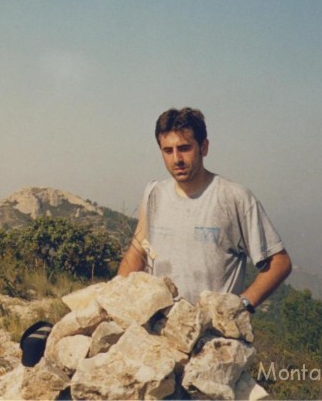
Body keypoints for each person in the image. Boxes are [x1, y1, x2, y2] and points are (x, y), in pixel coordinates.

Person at [118, 108, 291, 312]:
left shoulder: (234, 198)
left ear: (204, 147)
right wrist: (117, 296)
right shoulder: (154, 193)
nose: (177, 159)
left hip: (212, 335)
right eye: (168, 151)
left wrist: (242, 304)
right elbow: (139, 250)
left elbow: (279, 262)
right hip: (162, 329)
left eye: (184, 148)